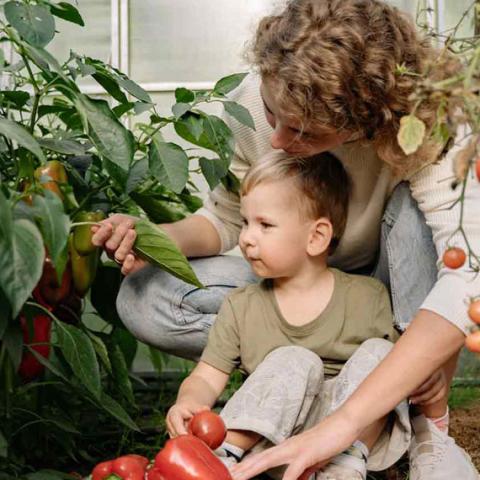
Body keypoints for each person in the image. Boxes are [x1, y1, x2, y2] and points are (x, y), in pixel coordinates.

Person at [91, 0, 480, 478]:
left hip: (388, 290)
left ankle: (415, 418)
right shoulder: (261, 97)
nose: (275, 140)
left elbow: (467, 276)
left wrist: (343, 426)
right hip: (296, 275)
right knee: (145, 294)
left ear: (363, 123)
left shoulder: (426, 121)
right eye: (274, 114)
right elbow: (227, 218)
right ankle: (302, 378)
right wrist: (152, 236)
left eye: (303, 132)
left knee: (422, 221)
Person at [167, 151, 411, 480]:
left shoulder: (367, 297)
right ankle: (226, 459)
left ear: (316, 237)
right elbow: (207, 377)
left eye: (265, 225)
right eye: (245, 222)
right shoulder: (241, 305)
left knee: (384, 355)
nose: (246, 238)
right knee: (295, 359)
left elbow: (400, 378)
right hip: (272, 437)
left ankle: (346, 465)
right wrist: (189, 402)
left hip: (345, 437)